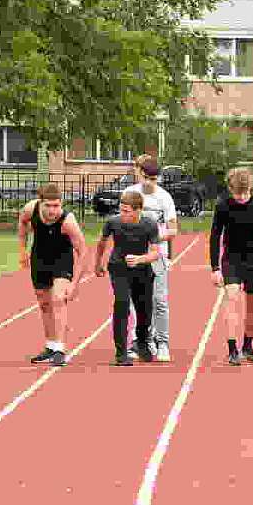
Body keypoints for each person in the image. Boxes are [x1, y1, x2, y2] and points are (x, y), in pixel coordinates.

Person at [209, 167, 253, 366]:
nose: (240, 197)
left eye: (244, 193)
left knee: (252, 304)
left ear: (250, 188)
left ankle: (248, 346)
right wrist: (214, 268)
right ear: (230, 189)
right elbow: (215, 236)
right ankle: (232, 349)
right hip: (231, 258)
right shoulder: (223, 206)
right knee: (231, 297)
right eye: (237, 194)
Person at [18, 182, 88, 367]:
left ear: (61, 204)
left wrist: (74, 284)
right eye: (48, 206)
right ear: (40, 203)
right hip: (39, 259)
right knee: (44, 304)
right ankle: (50, 346)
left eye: (56, 206)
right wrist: (22, 250)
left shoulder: (67, 221)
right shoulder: (30, 210)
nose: (52, 210)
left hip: (61, 261)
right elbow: (22, 223)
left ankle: (59, 348)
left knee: (58, 299)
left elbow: (83, 251)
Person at [95, 190, 161, 366]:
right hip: (119, 268)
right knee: (122, 303)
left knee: (144, 310)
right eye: (121, 210)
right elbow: (101, 243)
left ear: (138, 210)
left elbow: (156, 253)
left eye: (127, 211)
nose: (122, 214)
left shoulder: (150, 224)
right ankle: (121, 352)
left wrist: (140, 259)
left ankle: (141, 342)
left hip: (143, 270)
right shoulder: (113, 222)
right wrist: (98, 263)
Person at [125, 155, 178, 362]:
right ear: (139, 174)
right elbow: (123, 221)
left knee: (159, 301)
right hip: (134, 256)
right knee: (134, 301)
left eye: (153, 179)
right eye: (145, 178)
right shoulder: (129, 194)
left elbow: (173, 230)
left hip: (157, 256)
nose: (148, 183)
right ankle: (138, 341)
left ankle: (162, 342)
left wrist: (153, 237)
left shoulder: (165, 198)